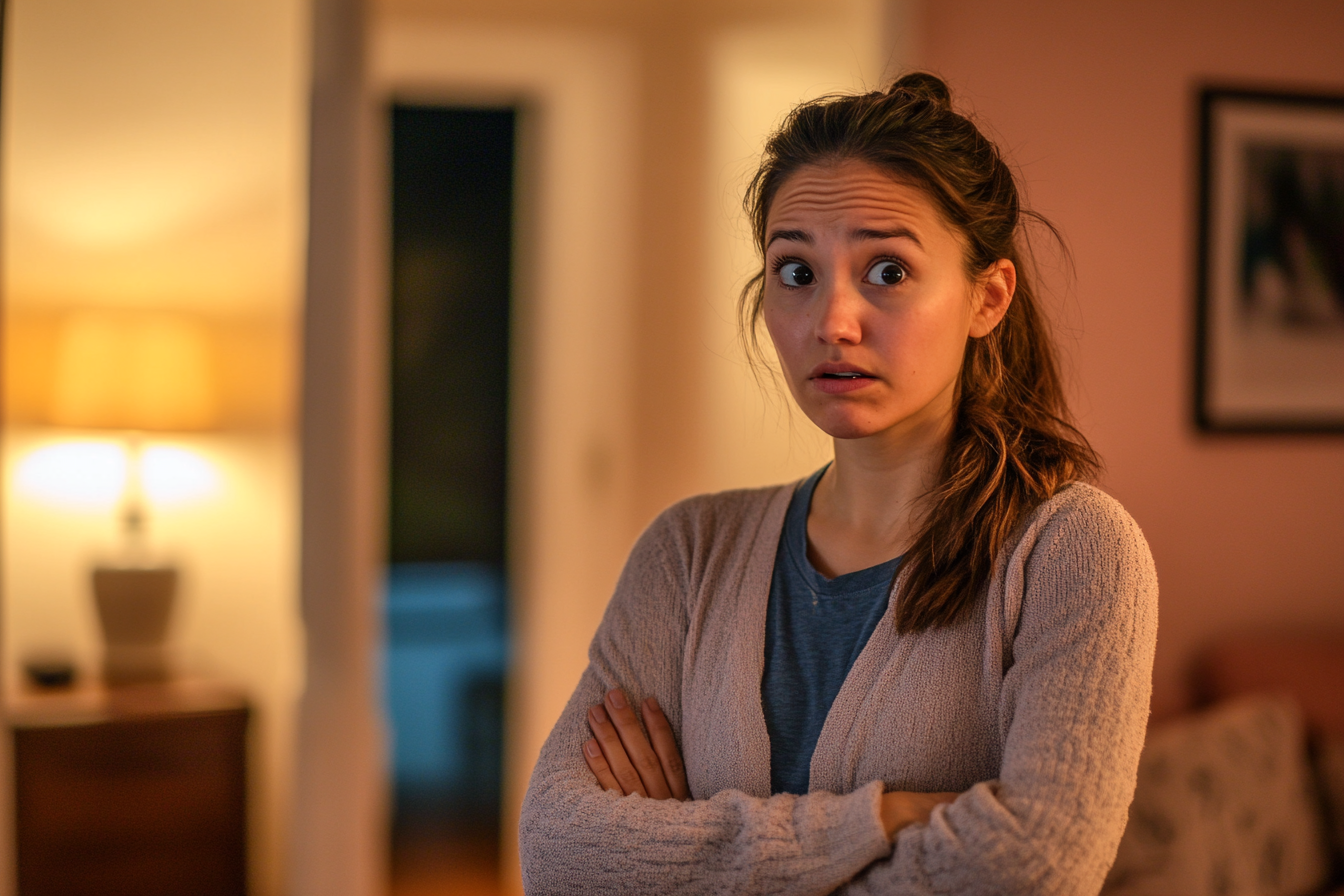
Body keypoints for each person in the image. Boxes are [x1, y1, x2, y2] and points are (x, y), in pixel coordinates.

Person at [518, 72, 1158, 895]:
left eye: (887, 271)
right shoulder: (688, 552)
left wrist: (684, 854)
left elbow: (1032, 867)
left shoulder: (1074, 553)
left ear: (987, 298)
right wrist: (881, 819)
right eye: (796, 271)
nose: (832, 321)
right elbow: (560, 851)